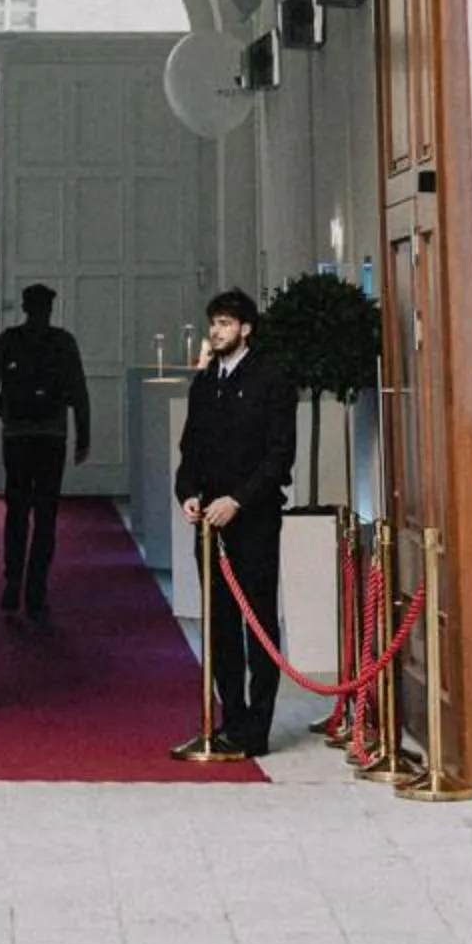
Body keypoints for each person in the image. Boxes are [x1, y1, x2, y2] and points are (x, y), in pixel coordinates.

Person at [173, 286, 297, 758]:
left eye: (225, 323)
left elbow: (279, 457)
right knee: (219, 624)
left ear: (246, 328)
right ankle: (232, 718)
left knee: (258, 620)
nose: (217, 331)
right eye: (214, 323)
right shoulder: (205, 383)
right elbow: (190, 451)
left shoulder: (271, 379)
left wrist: (238, 501)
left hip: (254, 520)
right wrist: (187, 495)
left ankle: (257, 728)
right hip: (209, 523)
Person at [0, 281, 90, 622]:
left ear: (25, 308)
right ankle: (36, 592)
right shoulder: (63, 342)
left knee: (16, 512)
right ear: (50, 309)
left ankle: (12, 583)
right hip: (51, 437)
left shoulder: (8, 340)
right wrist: (83, 435)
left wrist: (8, 414)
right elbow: (79, 391)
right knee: (46, 516)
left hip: (18, 438)